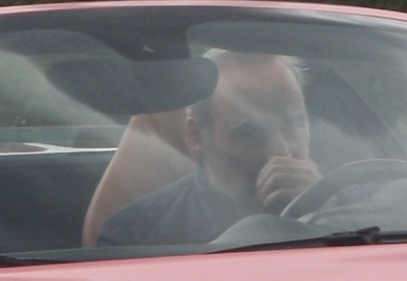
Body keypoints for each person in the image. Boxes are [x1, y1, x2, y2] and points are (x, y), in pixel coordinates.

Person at [93, 51, 322, 253]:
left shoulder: (350, 209)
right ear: (196, 137)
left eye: (293, 125)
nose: (280, 153)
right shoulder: (138, 236)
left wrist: (327, 208)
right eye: (249, 134)